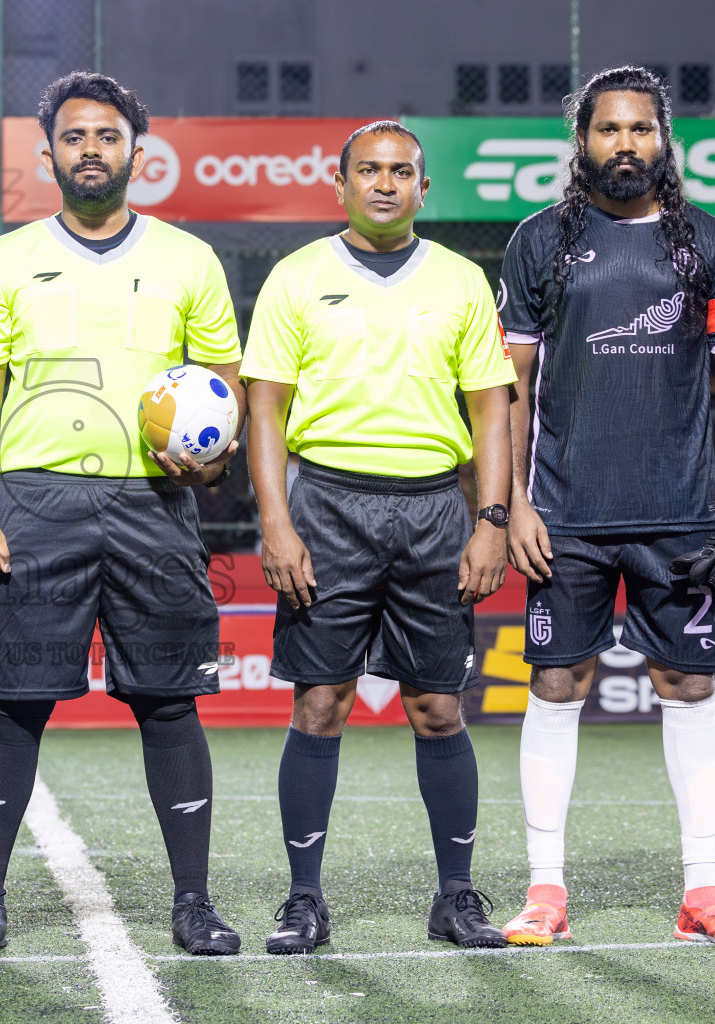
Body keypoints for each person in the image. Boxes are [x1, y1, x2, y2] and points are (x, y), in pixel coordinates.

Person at [0, 71, 245, 957]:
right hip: (36, 505)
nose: (91, 150)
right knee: (15, 703)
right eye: (74, 137)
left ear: (134, 153)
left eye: (107, 137)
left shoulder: (188, 259)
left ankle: (192, 902)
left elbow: (221, 398)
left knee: (168, 703)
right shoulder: (5, 259)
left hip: (154, 505)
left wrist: (215, 459)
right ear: (48, 155)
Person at [500, 66, 715, 949]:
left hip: (682, 515)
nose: (626, 144)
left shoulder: (708, 243)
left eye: (642, 129)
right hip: (568, 513)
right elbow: (513, 380)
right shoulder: (540, 242)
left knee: (689, 686)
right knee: (555, 685)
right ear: (581, 143)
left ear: (665, 140)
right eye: (608, 130)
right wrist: (509, 503)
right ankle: (546, 889)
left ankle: (704, 888)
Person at [242, 120, 515, 954]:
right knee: (320, 704)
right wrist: (277, 520)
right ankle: (303, 900)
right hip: (326, 507)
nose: (387, 183)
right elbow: (264, 408)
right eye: (370, 170)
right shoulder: (297, 277)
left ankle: (457, 897)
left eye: (402, 172)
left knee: (437, 708)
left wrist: (492, 519)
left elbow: (492, 409)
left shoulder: (464, 280)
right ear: (343, 184)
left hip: (435, 510)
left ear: (424, 190)